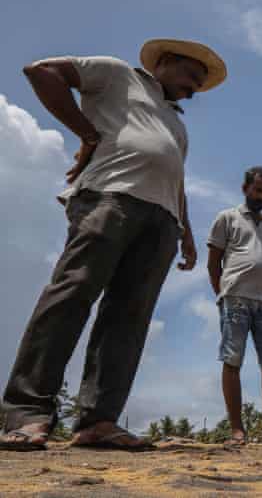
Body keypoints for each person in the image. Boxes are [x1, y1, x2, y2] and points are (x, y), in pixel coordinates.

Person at [0, 39, 227, 451]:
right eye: (191, 75)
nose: (194, 88)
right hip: (109, 198)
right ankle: (27, 413)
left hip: (162, 222)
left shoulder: (177, 122)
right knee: (70, 296)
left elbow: (175, 178)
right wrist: (88, 134)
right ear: (166, 61)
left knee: (129, 317)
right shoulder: (118, 74)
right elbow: (42, 72)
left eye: (200, 83)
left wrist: (186, 231)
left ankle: (98, 420)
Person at [207, 166, 262, 446]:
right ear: (245, 188)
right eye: (257, 190)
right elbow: (213, 263)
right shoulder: (227, 218)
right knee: (232, 360)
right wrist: (222, 294)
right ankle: (237, 430)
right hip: (235, 299)